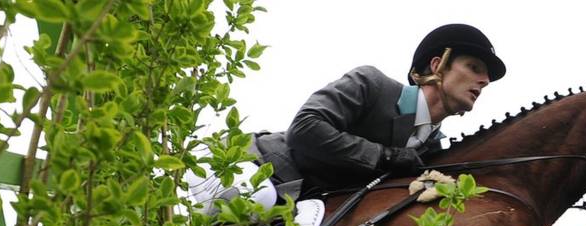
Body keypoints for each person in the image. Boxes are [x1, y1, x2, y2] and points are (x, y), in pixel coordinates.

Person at [190, 24, 506, 215]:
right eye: (475, 67)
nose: (484, 81)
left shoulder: (432, 149)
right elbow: (306, 128)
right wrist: (383, 155)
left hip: (308, 211)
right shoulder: (372, 83)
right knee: (259, 197)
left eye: (487, 77)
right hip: (261, 172)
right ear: (438, 65)